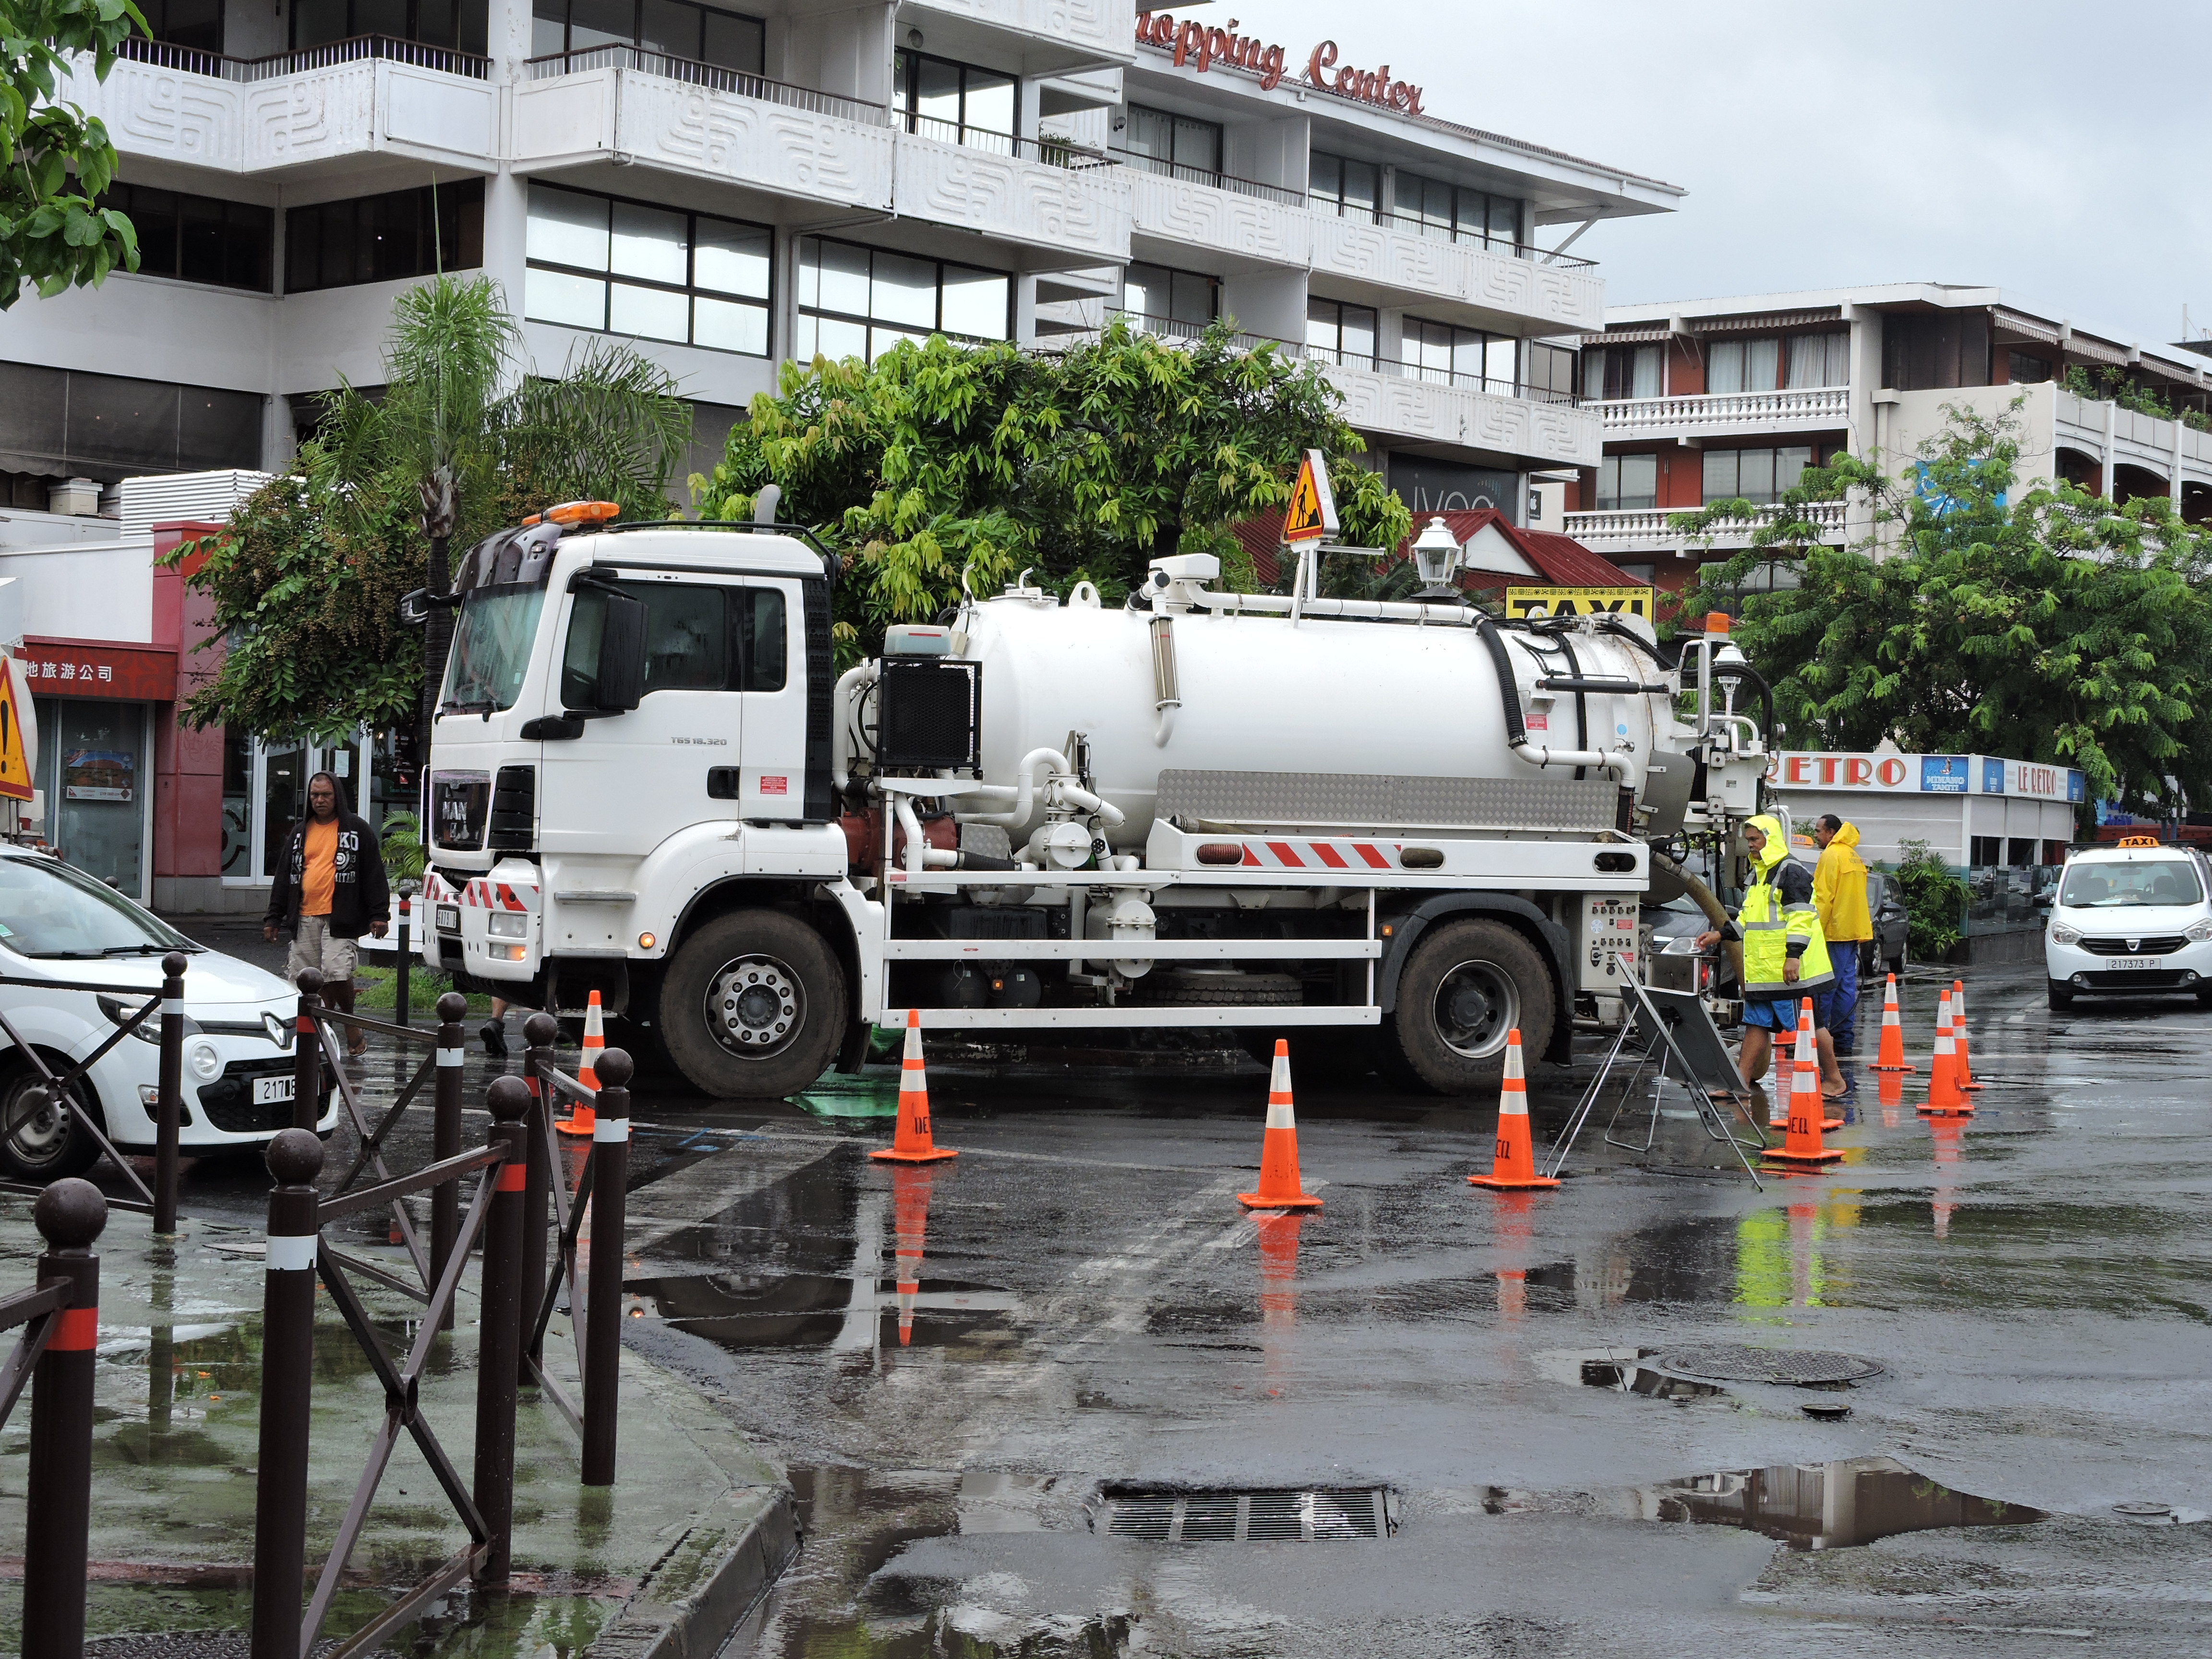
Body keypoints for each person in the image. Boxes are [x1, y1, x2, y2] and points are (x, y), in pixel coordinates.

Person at [1695, 813, 1846, 1099]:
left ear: (1770, 838)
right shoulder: (1762, 873)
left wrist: (1793, 957)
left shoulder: (1790, 872)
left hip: (1791, 969)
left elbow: (1802, 918)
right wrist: (1721, 934)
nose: (1750, 845)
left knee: (1812, 1024)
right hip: (1767, 970)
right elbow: (1751, 919)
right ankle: (1741, 1083)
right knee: (1757, 1023)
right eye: (1749, 839)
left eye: (1755, 839)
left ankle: (1835, 1081)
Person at [264, 772, 389, 1057]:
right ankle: (316, 1035)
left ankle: (349, 1023)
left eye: (326, 795)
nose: (320, 800)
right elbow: (284, 877)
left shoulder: (357, 830)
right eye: (315, 795)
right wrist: (273, 918)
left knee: (336, 972)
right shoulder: (300, 833)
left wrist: (378, 915)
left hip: (341, 917)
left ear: (338, 797)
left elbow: (374, 874)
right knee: (305, 979)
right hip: (305, 916)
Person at [1812, 814, 1872, 1054]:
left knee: (1825, 987)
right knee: (1846, 987)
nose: (1816, 835)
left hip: (1834, 932)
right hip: (1852, 931)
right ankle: (1843, 1038)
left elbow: (1823, 897)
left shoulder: (1831, 855)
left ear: (1831, 833)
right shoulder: (1853, 856)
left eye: (1818, 831)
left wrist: (1812, 931)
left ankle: (1818, 1038)